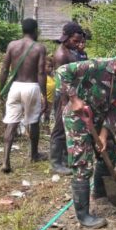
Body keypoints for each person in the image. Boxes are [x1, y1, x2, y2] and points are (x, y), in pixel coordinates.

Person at [58, 49, 116, 228]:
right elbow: (62, 71)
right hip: (78, 117)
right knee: (82, 163)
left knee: (111, 150)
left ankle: (99, 193)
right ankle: (83, 216)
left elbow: (115, 108)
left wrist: (104, 135)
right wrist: (74, 98)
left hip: (100, 118)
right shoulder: (96, 66)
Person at [0, 18, 48, 173]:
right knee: (33, 121)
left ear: (22, 30)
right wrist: (44, 94)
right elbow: (41, 72)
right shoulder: (39, 48)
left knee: (12, 122)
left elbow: (5, 69)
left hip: (15, 87)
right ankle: (34, 154)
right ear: (35, 31)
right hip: (31, 86)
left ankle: (6, 161)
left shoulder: (12, 45)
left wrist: (1, 89)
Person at [49, 21, 85, 175]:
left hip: (69, 94)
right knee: (59, 128)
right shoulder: (62, 55)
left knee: (65, 128)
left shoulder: (70, 51)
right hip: (63, 95)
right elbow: (63, 81)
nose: (77, 44)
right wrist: (65, 102)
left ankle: (64, 159)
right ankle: (56, 163)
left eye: (79, 41)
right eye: (75, 41)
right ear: (67, 38)